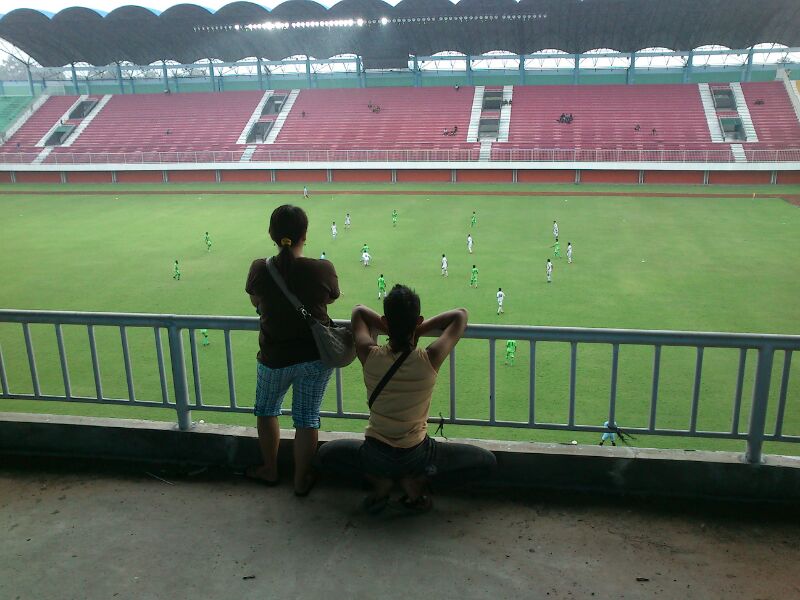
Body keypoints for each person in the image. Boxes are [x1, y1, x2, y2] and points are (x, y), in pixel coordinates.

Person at [316, 287, 496, 513]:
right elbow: (460, 315)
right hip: (417, 455)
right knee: (486, 461)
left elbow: (358, 311)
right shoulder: (429, 358)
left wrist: (394, 328)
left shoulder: (369, 354)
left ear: (385, 321)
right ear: (418, 320)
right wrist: (417, 330)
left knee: (326, 455)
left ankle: (380, 482)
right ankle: (415, 483)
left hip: (375, 454)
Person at [244, 204, 341, 495]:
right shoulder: (322, 269)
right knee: (307, 418)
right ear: (305, 235)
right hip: (314, 358)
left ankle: (270, 470)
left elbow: (256, 303)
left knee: (266, 411)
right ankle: (301, 481)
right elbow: (330, 298)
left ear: (272, 234)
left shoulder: (260, 268)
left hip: (274, 357)